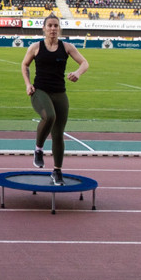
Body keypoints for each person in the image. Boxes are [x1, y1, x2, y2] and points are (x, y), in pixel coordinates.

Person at [21, 14, 88, 185]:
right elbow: (25, 65)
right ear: (44, 28)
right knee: (49, 116)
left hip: (60, 93)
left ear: (59, 28)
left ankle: (57, 171)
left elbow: (85, 63)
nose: (53, 29)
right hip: (40, 91)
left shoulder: (66, 47)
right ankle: (38, 149)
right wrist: (28, 84)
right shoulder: (36, 47)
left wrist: (78, 73)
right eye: (50, 25)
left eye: (56, 26)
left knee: (58, 135)